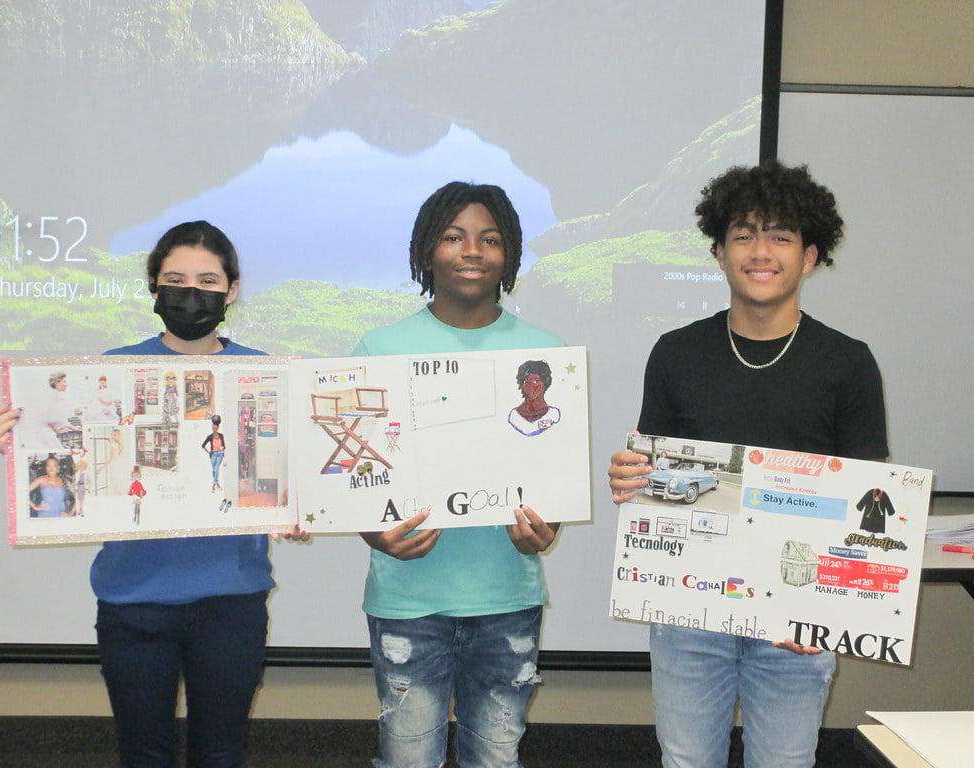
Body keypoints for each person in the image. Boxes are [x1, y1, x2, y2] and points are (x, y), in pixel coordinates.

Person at [0, 220, 307, 768]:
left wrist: (300, 507)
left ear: (232, 290)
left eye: (208, 281)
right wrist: (22, 441)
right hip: (132, 603)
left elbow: (292, 475)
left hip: (231, 602)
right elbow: (79, 463)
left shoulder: (266, 375)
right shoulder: (113, 370)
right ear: (154, 288)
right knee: (143, 756)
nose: (192, 293)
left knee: (220, 754)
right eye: (176, 280)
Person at [607, 161, 888, 768]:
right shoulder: (676, 353)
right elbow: (653, 474)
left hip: (797, 616)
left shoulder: (848, 363)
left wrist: (828, 612)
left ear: (809, 256)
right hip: (689, 614)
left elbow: (870, 507)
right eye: (744, 235)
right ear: (719, 251)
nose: (761, 252)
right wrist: (631, 479)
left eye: (780, 236)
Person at [353, 181, 563, 768]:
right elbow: (356, 476)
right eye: (453, 236)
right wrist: (375, 533)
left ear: (509, 254)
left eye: (490, 239)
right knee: (408, 760)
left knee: (496, 759)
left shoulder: (546, 351)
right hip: (407, 600)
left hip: (507, 597)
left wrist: (548, 529)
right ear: (427, 250)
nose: (472, 251)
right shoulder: (379, 348)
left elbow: (554, 477)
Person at [507, 359, 561, 437]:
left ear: (546, 381)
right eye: (526, 382)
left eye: (536, 381)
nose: (531, 386)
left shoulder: (553, 415)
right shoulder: (514, 416)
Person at [202, 414, 226, 492]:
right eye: (213, 428)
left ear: (218, 428)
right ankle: (217, 483)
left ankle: (213, 485)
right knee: (214, 470)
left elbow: (224, 446)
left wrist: (222, 449)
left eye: (215, 428)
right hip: (213, 455)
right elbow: (203, 445)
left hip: (220, 454)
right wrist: (209, 452)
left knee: (216, 468)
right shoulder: (210, 436)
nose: (214, 429)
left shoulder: (221, 436)